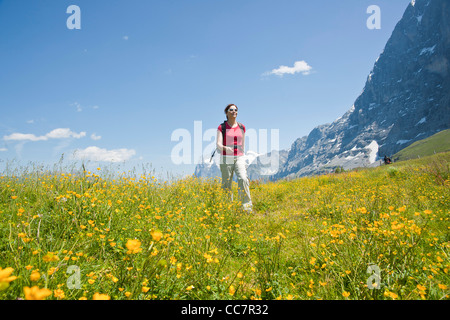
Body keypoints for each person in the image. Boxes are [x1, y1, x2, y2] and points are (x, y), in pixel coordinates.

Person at [216, 104, 253, 213]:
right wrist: (225, 148)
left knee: (243, 179)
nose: (234, 111)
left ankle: (246, 208)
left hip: (239, 157)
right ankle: (227, 208)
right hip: (226, 157)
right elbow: (218, 144)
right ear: (226, 112)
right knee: (226, 184)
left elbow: (243, 143)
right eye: (231, 110)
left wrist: (243, 154)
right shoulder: (222, 127)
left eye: (235, 110)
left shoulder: (242, 127)